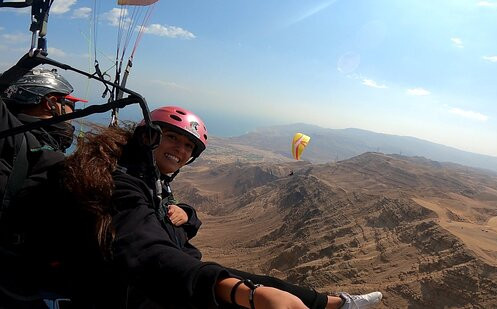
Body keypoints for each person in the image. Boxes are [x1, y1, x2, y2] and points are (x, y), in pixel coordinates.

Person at [62, 105, 383, 308]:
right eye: (173, 138)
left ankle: (337, 304)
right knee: (253, 290)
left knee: (271, 283)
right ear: (149, 136)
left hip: (162, 274)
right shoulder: (122, 181)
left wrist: (187, 216)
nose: (181, 149)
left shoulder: (150, 176)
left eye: (189, 146)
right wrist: (236, 292)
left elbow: (168, 215)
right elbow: (145, 251)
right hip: (139, 288)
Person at [0, 67, 87, 308]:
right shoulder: (26, 144)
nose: (74, 113)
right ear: (51, 103)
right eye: (70, 105)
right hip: (21, 279)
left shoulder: (26, 141)